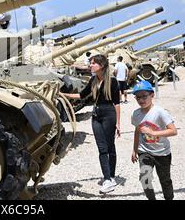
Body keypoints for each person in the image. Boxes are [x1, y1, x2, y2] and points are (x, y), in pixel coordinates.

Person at [63, 54, 121, 194]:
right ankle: (107, 179)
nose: (90, 65)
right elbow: (82, 95)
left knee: (110, 146)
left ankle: (111, 176)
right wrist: (64, 95)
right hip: (96, 115)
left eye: (93, 63)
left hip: (109, 114)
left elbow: (117, 103)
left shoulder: (112, 81)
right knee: (102, 148)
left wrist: (118, 123)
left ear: (101, 66)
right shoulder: (93, 80)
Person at [131, 80, 177, 200]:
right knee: (144, 178)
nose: (141, 100)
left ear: (152, 95)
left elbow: (173, 131)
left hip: (162, 152)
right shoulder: (136, 114)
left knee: (165, 180)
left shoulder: (160, 112)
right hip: (144, 151)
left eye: (144, 96)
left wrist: (153, 132)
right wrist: (134, 150)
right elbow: (137, 131)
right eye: (138, 97)